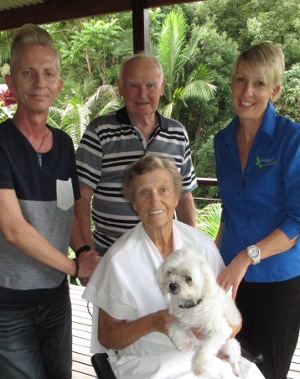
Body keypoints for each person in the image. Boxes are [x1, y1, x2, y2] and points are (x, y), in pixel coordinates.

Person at [83, 155, 264, 379]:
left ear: (177, 195)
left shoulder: (201, 246)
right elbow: (107, 337)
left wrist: (218, 336)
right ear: (133, 203)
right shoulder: (118, 260)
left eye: (164, 190)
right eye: (144, 193)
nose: (155, 201)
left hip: (205, 353)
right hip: (148, 359)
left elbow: (230, 317)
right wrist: (152, 322)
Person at [0, 24, 100, 379]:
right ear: (12, 83)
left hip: (56, 299)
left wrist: (85, 250)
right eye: (28, 73)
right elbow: (13, 229)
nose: (39, 82)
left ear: (59, 84)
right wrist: (74, 268)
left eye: (48, 73)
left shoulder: (62, 145)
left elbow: (67, 210)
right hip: (9, 303)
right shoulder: (2, 143)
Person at [214, 43, 300, 379]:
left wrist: (246, 258)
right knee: (225, 366)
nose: (247, 92)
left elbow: (296, 221)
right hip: (231, 282)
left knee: (266, 373)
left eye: (259, 83)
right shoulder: (222, 141)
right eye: (240, 80)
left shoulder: (290, 139)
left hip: (277, 282)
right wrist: (214, 259)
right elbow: (229, 210)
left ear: (275, 90)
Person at [75, 53, 197, 256]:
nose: (142, 94)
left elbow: (184, 197)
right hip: (111, 256)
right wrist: (87, 253)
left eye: (150, 85)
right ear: (121, 88)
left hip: (165, 257)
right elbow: (80, 196)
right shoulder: (99, 131)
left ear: (161, 87)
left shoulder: (177, 133)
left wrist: (191, 251)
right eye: (133, 86)